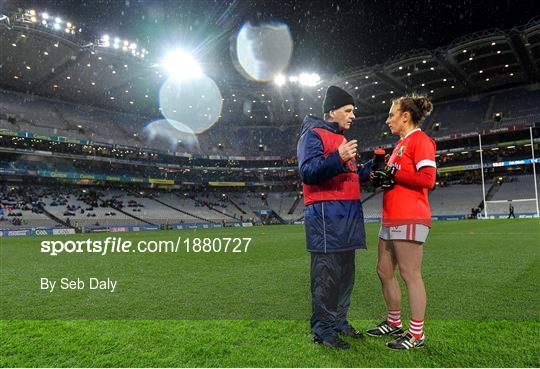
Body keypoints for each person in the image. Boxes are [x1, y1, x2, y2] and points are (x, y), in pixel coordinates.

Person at [297, 85, 372, 349]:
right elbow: (308, 171)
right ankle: (323, 330)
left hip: (348, 218)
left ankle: (339, 322)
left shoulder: (341, 139)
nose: (353, 115)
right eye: (348, 110)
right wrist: (339, 156)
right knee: (326, 279)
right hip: (326, 219)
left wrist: (371, 170)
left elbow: (349, 175)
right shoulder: (313, 135)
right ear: (332, 111)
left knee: (345, 277)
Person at [367, 94, 436, 350]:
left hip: (410, 215)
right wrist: (381, 176)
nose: (388, 120)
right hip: (391, 216)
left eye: (391, 115)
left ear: (405, 117)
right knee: (384, 270)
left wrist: (395, 172)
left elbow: (428, 178)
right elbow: (395, 178)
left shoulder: (421, 141)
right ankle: (394, 322)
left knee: (410, 274)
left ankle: (416, 334)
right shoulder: (399, 145)